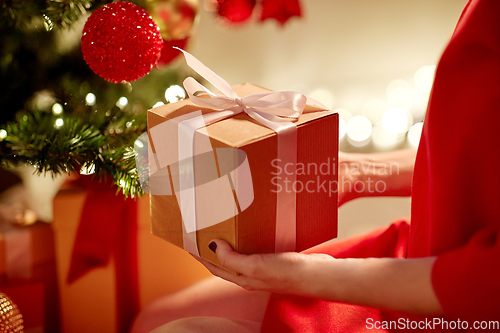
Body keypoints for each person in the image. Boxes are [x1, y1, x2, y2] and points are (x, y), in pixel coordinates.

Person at [131, 0, 500, 331]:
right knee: (152, 319)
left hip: (451, 304)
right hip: (421, 249)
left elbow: (482, 287)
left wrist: (307, 276)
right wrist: (354, 172)